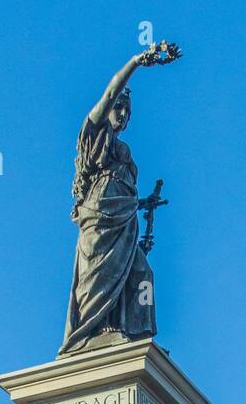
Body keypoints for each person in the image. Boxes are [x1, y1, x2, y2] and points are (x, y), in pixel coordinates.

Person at [59, 41, 181, 356]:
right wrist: (136, 62)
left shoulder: (125, 151)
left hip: (125, 218)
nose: (124, 114)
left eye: (128, 111)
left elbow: (125, 187)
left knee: (142, 274)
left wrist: (143, 206)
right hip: (100, 213)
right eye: (120, 108)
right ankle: (93, 330)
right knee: (99, 272)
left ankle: (136, 334)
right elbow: (112, 90)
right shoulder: (93, 132)